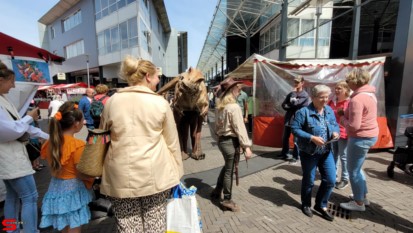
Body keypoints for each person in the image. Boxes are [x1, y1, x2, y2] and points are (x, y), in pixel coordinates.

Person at [99, 56, 184, 232]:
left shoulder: (111, 102)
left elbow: (102, 139)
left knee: (128, 227)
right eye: (157, 76)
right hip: (155, 175)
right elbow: (172, 142)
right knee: (155, 224)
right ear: (147, 76)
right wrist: (177, 172)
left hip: (120, 176)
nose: (159, 80)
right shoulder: (160, 103)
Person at [0, 61, 49, 233]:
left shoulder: (3, 100)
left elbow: (17, 126)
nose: (13, 86)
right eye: (11, 81)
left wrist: (44, 136)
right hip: (11, 159)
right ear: (1, 80)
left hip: (9, 159)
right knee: (30, 197)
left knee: (12, 198)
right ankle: (30, 231)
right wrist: (29, 117)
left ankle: (12, 230)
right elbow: (10, 130)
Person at [40, 101, 93, 232]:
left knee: (64, 224)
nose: (83, 122)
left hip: (56, 188)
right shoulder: (77, 145)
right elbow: (80, 172)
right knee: (75, 224)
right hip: (73, 190)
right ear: (76, 124)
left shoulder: (50, 142)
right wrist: (95, 176)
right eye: (82, 120)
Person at [290, 84, 339, 221]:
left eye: (327, 97)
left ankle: (321, 204)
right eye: (321, 97)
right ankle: (306, 204)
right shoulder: (303, 112)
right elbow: (295, 129)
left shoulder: (329, 110)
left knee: (330, 180)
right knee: (309, 181)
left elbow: (334, 124)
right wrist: (311, 138)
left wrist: (336, 132)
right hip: (309, 152)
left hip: (326, 151)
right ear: (313, 97)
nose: (325, 100)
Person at [339, 68, 379, 212]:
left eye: (349, 80)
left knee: (353, 171)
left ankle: (358, 203)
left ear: (355, 81)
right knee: (358, 168)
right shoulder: (370, 94)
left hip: (360, 137)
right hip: (369, 135)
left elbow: (354, 126)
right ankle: (362, 196)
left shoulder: (357, 98)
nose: (347, 83)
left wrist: (342, 117)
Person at [211, 78, 253, 212]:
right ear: (231, 90)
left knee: (227, 167)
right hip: (230, 142)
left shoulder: (220, 106)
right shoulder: (234, 107)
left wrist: (219, 137)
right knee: (229, 171)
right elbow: (240, 128)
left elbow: (216, 126)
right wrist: (246, 147)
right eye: (238, 89)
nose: (239, 92)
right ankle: (227, 200)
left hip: (223, 141)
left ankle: (218, 189)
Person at [281, 76, 310, 163]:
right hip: (288, 119)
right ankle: (284, 153)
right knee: (285, 137)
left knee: (296, 139)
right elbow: (283, 104)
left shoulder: (304, 95)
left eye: (297, 82)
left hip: (298, 120)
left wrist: (293, 98)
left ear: (302, 83)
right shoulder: (291, 93)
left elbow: (295, 103)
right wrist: (289, 106)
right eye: (295, 82)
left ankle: (296, 156)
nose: (296, 84)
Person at [327, 81, 351, 190]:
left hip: (343, 133)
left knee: (344, 157)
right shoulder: (332, 102)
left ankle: (345, 179)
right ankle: (333, 176)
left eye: (339, 88)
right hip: (333, 132)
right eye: (336, 88)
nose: (336, 90)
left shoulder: (349, 102)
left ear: (346, 90)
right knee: (333, 155)